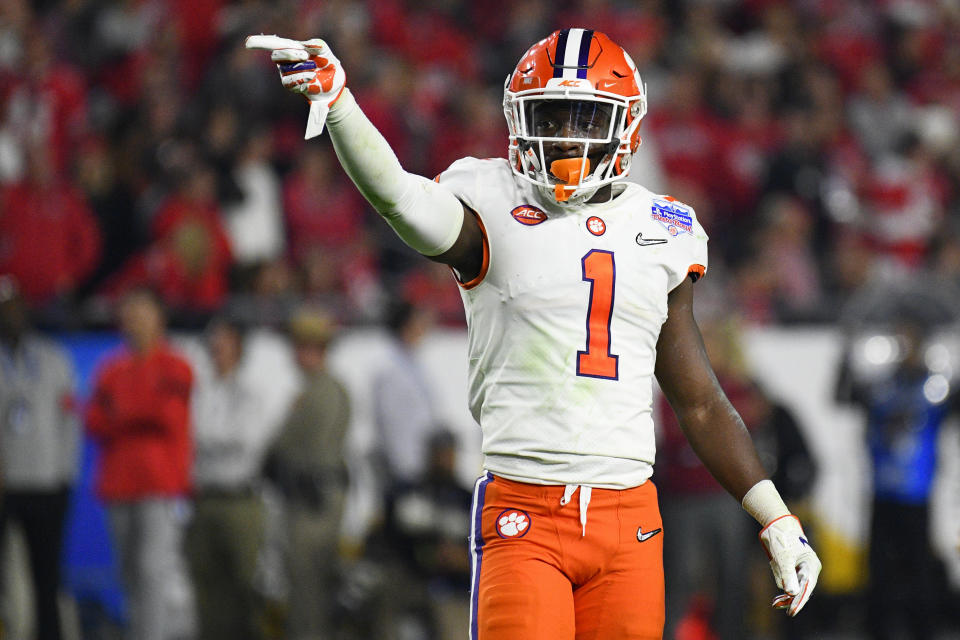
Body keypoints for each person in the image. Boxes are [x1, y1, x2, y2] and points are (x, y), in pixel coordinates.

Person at [256, 28, 822, 639]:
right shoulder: (489, 199)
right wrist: (340, 105)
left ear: (626, 126)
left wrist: (776, 519)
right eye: (551, 116)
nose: (565, 137)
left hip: (628, 516)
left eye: (585, 119)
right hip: (524, 507)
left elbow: (701, 401)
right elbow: (398, 197)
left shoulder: (663, 227)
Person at [836, 313, 959, 640]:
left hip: (917, 491)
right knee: (879, 571)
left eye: (913, 341)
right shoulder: (881, 386)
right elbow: (842, 396)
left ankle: (924, 629)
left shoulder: (937, 387)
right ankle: (879, 629)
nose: (908, 349)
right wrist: (846, 350)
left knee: (918, 568)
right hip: (882, 489)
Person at [85, 287, 194, 640]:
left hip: (159, 484)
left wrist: (122, 412)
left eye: (140, 312)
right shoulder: (110, 368)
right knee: (130, 572)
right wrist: (135, 412)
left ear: (159, 317)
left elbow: (167, 416)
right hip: (118, 483)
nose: (132, 320)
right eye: (128, 312)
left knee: (153, 571)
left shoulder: (176, 365)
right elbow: (94, 421)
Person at [262, 306, 351, 640]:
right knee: (305, 586)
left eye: (302, 346)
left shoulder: (323, 390)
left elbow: (307, 447)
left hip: (314, 501)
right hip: (309, 499)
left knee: (308, 587)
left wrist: (274, 454)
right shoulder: (317, 388)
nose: (296, 354)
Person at [186, 316, 277, 640]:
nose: (216, 349)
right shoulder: (201, 390)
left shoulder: (252, 391)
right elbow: (192, 435)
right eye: (213, 343)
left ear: (238, 346)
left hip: (240, 499)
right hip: (205, 497)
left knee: (245, 584)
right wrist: (215, 439)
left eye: (222, 342)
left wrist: (210, 439)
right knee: (207, 585)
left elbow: (247, 440)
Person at [0, 275, 81, 640]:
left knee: (47, 577)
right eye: (4, 309)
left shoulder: (53, 358)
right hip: (4, 484)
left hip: (47, 482)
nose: (10, 315)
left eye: (15, 306)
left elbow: (70, 422)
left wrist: (66, 475)